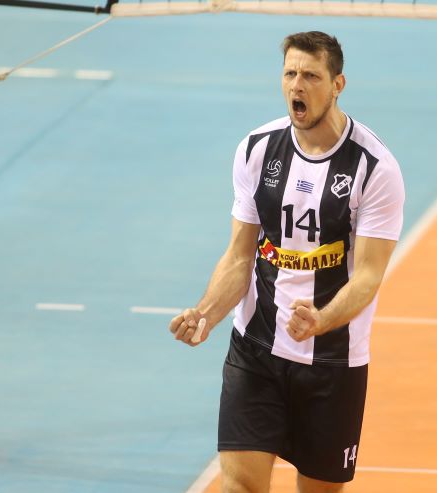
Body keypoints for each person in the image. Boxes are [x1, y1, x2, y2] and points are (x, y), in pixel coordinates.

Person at [169, 31, 405, 493]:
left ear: (337, 84)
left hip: (333, 360)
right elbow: (240, 255)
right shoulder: (257, 149)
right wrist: (206, 313)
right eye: (290, 74)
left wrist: (321, 320)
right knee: (240, 486)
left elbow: (368, 276)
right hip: (256, 348)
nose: (298, 85)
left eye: (311, 76)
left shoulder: (374, 168)